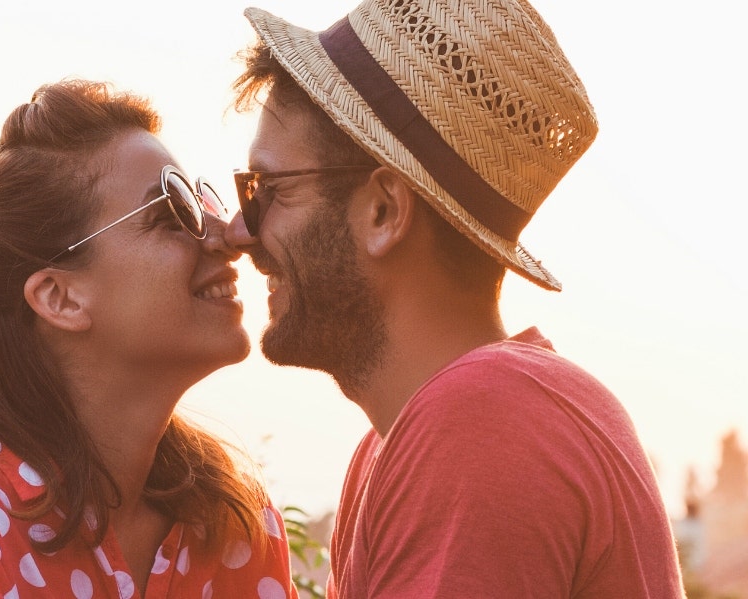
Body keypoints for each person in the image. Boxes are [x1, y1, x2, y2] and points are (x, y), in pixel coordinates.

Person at [224, 0, 685, 596]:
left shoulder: (478, 424)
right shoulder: (417, 438)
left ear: (383, 212)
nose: (240, 228)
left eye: (267, 189)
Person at [0, 80, 298, 599]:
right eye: (171, 211)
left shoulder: (232, 520)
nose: (225, 234)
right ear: (60, 298)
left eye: (200, 199)